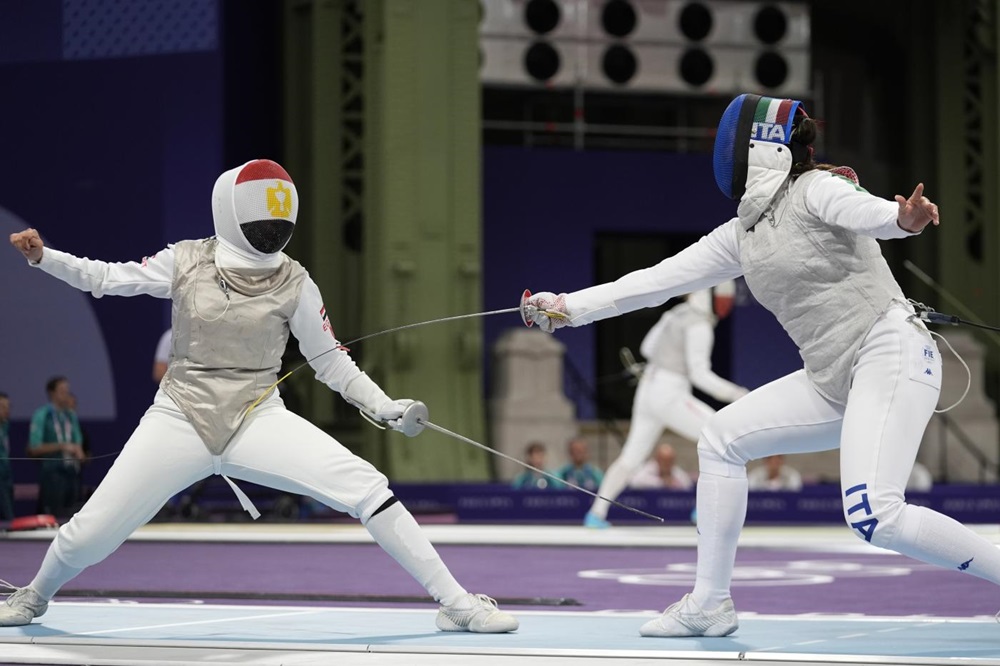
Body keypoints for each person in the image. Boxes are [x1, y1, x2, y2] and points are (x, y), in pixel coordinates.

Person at [522, 93, 1000, 638]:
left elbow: (869, 213)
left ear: (758, 148)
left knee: (875, 515)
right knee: (721, 439)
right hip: (831, 379)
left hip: (888, 353)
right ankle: (709, 604)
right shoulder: (741, 236)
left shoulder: (816, 189)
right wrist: (567, 307)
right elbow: (653, 283)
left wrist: (902, 218)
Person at [2, 159, 517, 633]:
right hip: (179, 415)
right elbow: (108, 278)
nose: (271, 230)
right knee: (91, 534)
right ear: (230, 211)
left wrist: (386, 406)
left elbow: (332, 360)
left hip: (256, 417)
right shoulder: (186, 260)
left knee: (366, 487)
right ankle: (32, 596)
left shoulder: (295, 280)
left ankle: (458, 604)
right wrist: (45, 257)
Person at [583, 282, 747, 528]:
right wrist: (737, 394)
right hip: (670, 392)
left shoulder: (675, 314)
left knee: (631, 456)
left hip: (649, 386)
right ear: (711, 298)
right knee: (718, 435)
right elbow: (699, 374)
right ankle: (705, 511)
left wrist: (663, 359)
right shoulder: (700, 325)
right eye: (723, 301)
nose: (725, 307)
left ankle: (596, 513)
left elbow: (647, 348)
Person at [27, 377, 85, 517]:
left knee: (72, 516)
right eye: (62, 390)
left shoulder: (70, 415)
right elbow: (34, 447)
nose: (66, 394)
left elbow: (77, 442)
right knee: (54, 517)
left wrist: (79, 451)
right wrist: (62, 446)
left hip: (72, 473)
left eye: (67, 390)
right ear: (52, 393)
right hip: (52, 473)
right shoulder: (42, 415)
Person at [629, 443, 694, 491]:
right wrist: (662, 483)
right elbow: (634, 481)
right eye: (664, 461)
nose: (667, 464)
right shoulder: (649, 468)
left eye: (670, 461)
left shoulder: (676, 471)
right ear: (657, 459)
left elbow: (687, 484)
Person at [0, 393, 13, 520]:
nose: (6, 410)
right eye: (2, 406)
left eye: (8, 406)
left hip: (6, 476)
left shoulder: (5, 426)